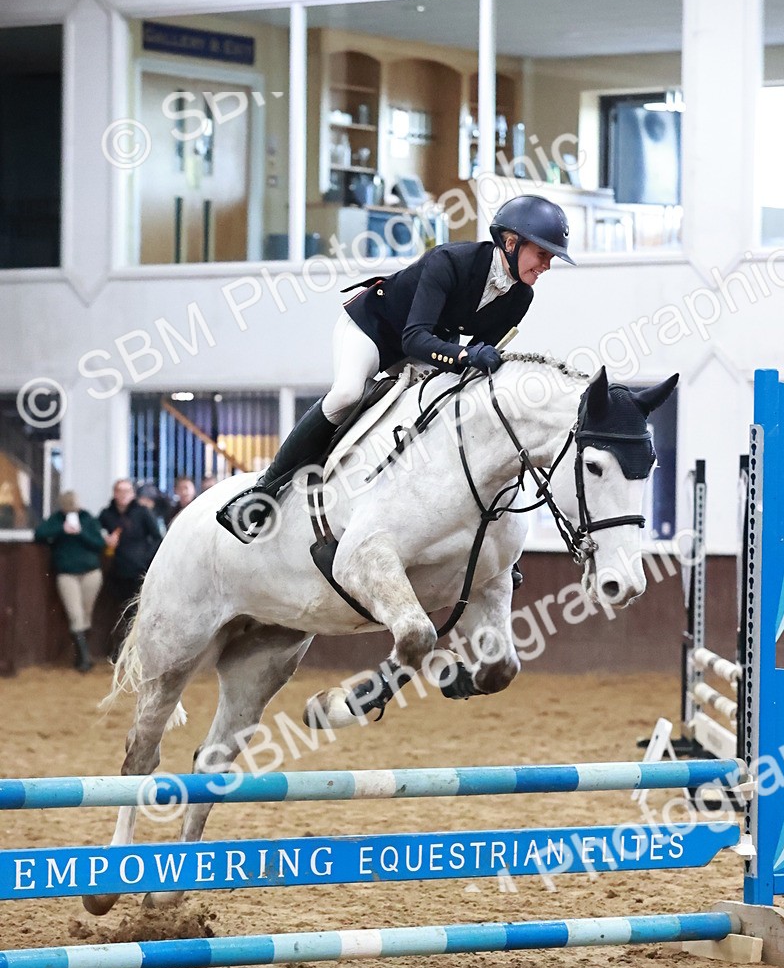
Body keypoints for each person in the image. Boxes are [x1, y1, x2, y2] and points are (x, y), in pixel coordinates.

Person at [218, 195, 574, 540]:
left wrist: (478, 363)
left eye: (551, 258)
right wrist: (466, 357)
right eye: (542, 254)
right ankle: (263, 490)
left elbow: (473, 356)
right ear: (511, 242)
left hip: (427, 347)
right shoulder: (449, 261)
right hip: (374, 330)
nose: (546, 265)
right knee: (347, 393)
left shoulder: (520, 296)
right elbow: (414, 339)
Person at [34, 490, 105, 673]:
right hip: (67, 574)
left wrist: (80, 533)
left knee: (86, 614)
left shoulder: (88, 519)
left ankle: (83, 655)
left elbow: (99, 544)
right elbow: (39, 534)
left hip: (91, 573)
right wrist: (61, 530)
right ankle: (83, 659)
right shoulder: (56, 520)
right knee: (75, 614)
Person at [99, 478, 162, 655]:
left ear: (132, 494)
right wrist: (105, 539)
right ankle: (121, 650)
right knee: (120, 611)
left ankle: (139, 650)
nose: (123, 495)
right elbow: (98, 532)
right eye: (120, 491)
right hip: (117, 571)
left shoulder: (142, 512)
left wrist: (145, 557)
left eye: (127, 491)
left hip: (139, 570)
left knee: (139, 611)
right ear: (114, 493)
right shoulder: (106, 514)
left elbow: (157, 537)